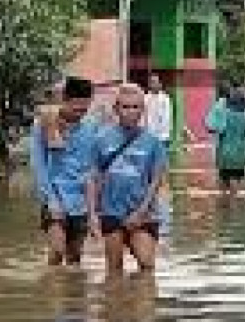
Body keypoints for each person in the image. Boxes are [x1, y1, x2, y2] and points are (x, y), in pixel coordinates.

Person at [88, 84, 168, 274]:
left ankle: (139, 299)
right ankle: (118, 302)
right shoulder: (101, 139)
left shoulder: (153, 142)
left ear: (143, 110)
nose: (130, 112)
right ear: (116, 109)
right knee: (114, 270)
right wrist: (92, 215)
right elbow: (93, 178)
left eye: (135, 107)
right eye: (125, 107)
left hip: (144, 214)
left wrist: (141, 212)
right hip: (111, 213)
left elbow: (156, 181)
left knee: (147, 264)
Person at [30, 76, 98, 266]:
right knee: (57, 250)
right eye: (76, 109)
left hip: (80, 202)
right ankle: (52, 290)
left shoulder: (91, 127)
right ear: (65, 101)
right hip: (55, 197)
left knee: (75, 257)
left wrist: (94, 211)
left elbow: (92, 169)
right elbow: (39, 165)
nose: (80, 114)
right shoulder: (44, 124)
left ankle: (72, 294)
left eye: (85, 109)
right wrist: (50, 200)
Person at [207, 87, 245, 200]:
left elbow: (212, 128)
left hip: (224, 154)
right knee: (235, 180)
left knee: (224, 181)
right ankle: (233, 205)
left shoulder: (224, 116)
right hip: (240, 155)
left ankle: (225, 206)